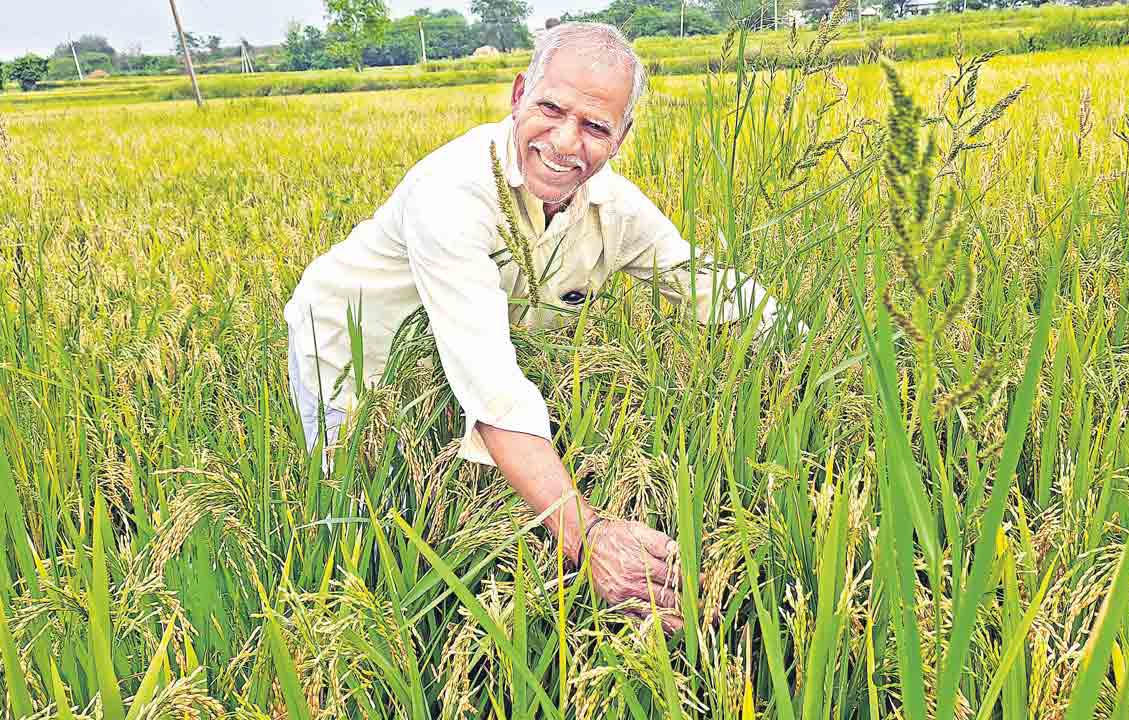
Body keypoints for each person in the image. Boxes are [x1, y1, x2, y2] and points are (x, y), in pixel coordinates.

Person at [284, 22, 797, 632]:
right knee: (364, 522)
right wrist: (587, 532)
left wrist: (807, 346)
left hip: (445, 368)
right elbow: (494, 390)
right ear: (519, 94)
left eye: (595, 127)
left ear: (621, 137)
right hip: (350, 352)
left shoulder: (616, 211)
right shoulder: (451, 197)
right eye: (550, 109)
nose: (564, 140)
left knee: (461, 493)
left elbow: (708, 285)